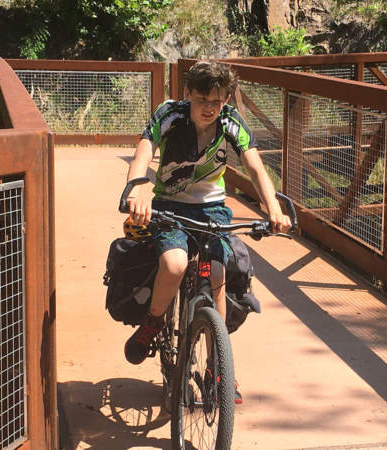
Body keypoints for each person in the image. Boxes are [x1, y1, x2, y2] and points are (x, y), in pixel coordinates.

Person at [122, 60, 291, 402]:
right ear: (188, 94)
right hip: (170, 205)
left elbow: (255, 166)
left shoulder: (230, 122)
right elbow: (143, 151)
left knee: (217, 274)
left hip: (212, 208)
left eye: (218, 101)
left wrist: (273, 206)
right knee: (173, 265)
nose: (210, 108)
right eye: (203, 100)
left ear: (226, 99)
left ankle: (219, 367)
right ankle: (155, 321)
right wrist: (137, 187)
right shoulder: (170, 114)